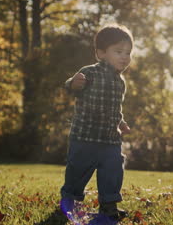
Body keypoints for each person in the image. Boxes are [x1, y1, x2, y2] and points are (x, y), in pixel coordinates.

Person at [60, 23, 133, 222]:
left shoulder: (120, 82)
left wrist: (121, 122)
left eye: (128, 52)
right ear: (101, 53)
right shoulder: (90, 72)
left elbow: (115, 109)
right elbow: (70, 86)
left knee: (113, 170)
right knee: (78, 170)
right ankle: (70, 202)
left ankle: (109, 206)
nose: (125, 57)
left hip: (110, 139)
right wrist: (73, 84)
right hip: (85, 137)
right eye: (119, 51)